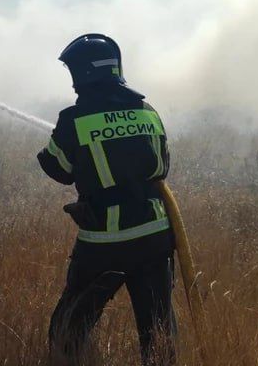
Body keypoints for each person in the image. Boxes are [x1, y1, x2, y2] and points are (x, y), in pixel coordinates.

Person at [38, 33, 177, 365]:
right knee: (158, 328)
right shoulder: (147, 110)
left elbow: (59, 169)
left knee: (70, 323)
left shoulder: (73, 119)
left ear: (84, 72)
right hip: (155, 236)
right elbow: (162, 167)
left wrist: (48, 153)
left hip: (104, 240)